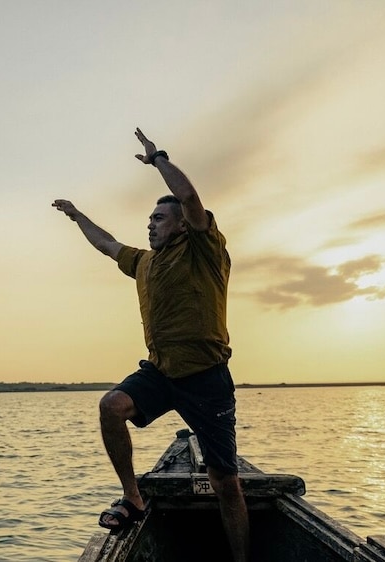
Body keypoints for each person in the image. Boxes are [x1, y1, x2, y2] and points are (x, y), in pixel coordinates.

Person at [52, 129, 249, 562]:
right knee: (111, 407)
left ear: (181, 223)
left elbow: (192, 197)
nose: (150, 223)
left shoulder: (204, 248)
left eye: (159, 218)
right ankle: (133, 498)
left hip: (206, 378)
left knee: (226, 485)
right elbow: (107, 244)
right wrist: (77, 215)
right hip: (160, 372)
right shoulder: (143, 262)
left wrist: (157, 158)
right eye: (150, 219)